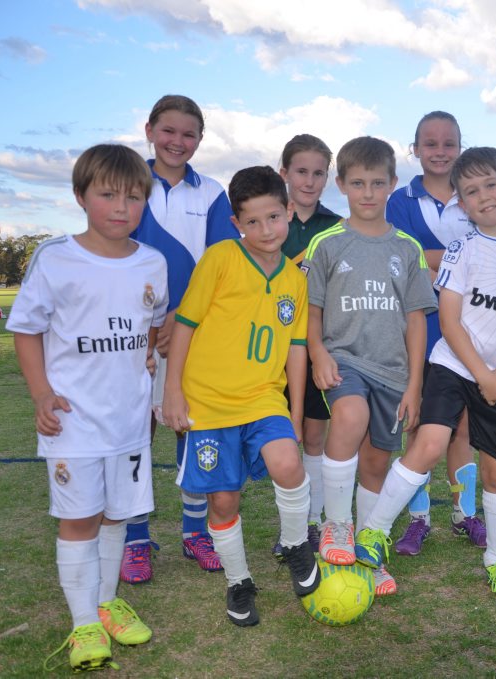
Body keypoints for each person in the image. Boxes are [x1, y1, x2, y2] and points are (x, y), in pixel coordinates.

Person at [353, 147, 496, 601]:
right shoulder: (463, 248)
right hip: (451, 362)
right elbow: (448, 321)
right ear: (462, 206)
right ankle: (373, 532)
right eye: (471, 191)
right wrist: (480, 371)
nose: (483, 196)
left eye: (490, 185)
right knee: (427, 444)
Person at [8, 145, 167, 671]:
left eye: (134, 197)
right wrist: (40, 395)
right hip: (73, 421)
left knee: (117, 514)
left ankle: (105, 602)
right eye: (107, 195)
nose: (121, 207)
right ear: (81, 197)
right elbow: (27, 330)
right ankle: (83, 625)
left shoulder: (152, 262)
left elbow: (151, 326)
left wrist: (145, 358)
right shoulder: (56, 258)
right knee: (79, 518)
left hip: (128, 422)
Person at [161, 165, 319, 627]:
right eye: (252, 221)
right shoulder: (220, 259)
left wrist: (293, 412)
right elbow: (185, 327)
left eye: (273, 217)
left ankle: (295, 545)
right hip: (208, 405)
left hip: (263, 399)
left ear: (289, 211)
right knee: (224, 502)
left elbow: (296, 351)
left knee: (289, 462)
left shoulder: (295, 280)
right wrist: (173, 392)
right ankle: (239, 580)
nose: (265, 230)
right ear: (236, 224)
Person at [303, 136, 437, 595]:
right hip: (343, 360)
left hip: (394, 373)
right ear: (340, 184)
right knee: (350, 415)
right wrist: (319, 352)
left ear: (392, 185)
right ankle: (336, 525)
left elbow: (417, 321)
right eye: (357, 183)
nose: (367, 193)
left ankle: (366, 546)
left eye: (377, 183)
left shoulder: (408, 248)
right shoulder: (327, 243)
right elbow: (311, 309)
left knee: (377, 464)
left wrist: (415, 385)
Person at [123, 95, 239, 584]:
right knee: (134, 432)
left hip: (191, 331)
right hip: (128, 330)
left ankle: (194, 531)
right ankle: (134, 536)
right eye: (168, 131)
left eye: (188, 134)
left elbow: (220, 265)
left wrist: (179, 319)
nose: (177, 141)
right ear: (149, 130)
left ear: (200, 139)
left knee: (189, 427)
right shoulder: (127, 182)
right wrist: (153, 322)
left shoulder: (212, 192)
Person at [385, 111, 485, 557]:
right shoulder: (399, 200)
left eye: (448, 144)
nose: (439, 151)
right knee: (418, 423)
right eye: (430, 143)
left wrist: (438, 259)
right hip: (418, 328)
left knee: (462, 426)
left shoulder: (477, 197)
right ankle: (418, 519)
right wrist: (462, 258)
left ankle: (466, 515)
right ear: (416, 149)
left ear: (460, 148)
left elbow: (492, 254)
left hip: (472, 332)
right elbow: (405, 254)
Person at [270, 133, 343, 561]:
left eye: (319, 173)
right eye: (301, 171)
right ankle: (292, 527)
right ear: (284, 174)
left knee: (312, 437)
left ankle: (310, 524)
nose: (310, 181)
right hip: (272, 351)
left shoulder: (335, 226)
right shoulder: (269, 220)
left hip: (315, 345)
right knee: (282, 442)